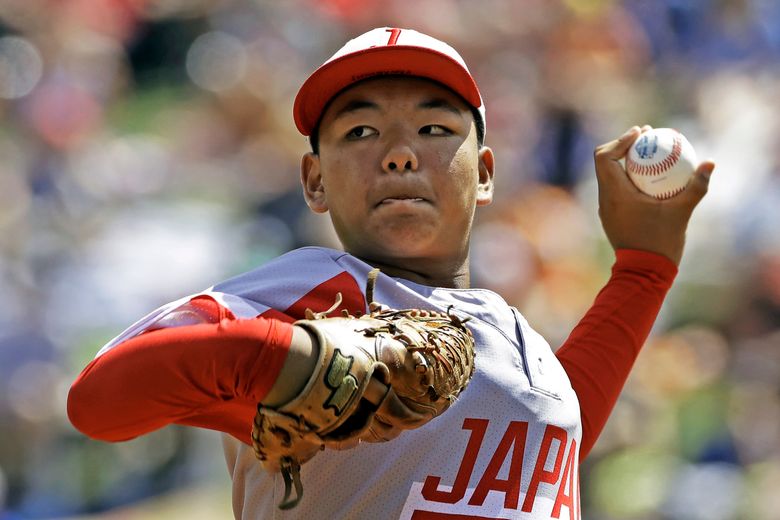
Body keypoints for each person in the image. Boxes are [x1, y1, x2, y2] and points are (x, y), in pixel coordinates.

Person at [67, 27, 715, 519]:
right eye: (360, 132)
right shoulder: (305, 293)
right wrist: (286, 357)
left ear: (485, 172)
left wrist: (644, 269)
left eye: (433, 128)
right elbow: (97, 403)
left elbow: (553, 441)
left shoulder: (511, 331)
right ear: (314, 181)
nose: (400, 154)